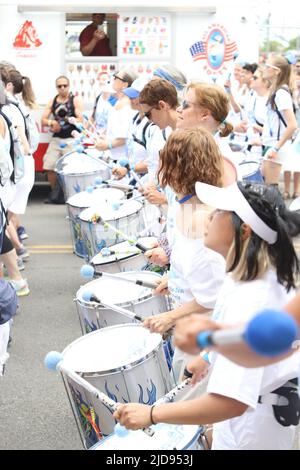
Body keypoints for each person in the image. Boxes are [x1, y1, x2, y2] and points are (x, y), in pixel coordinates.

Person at [114, 181, 300, 450]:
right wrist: (208, 355)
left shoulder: (251, 298)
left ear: (244, 230)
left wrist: (152, 414)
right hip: (252, 418)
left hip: (252, 428)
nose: (209, 215)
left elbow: (231, 402)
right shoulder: (251, 273)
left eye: (220, 211)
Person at [142, 128, 226, 379]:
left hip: (206, 334)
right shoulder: (183, 207)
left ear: (178, 169)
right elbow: (192, 265)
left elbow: (216, 297)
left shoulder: (206, 220)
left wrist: (170, 317)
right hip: (188, 322)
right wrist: (174, 279)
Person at [41, 76, 83, 202]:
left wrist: (66, 120)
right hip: (57, 138)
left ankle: (69, 196)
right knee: (49, 166)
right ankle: (56, 195)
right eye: (59, 86)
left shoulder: (74, 100)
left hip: (71, 138)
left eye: (65, 85)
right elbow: (43, 120)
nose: (62, 88)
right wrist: (51, 123)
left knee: (71, 168)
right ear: (56, 88)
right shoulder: (53, 101)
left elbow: (81, 120)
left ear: (69, 86)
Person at [261, 56, 298, 187]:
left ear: (277, 71)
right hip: (272, 144)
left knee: (270, 190)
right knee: (267, 188)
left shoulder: (281, 93)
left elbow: (292, 125)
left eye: (267, 66)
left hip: (276, 145)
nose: (263, 69)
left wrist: (276, 147)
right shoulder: (277, 90)